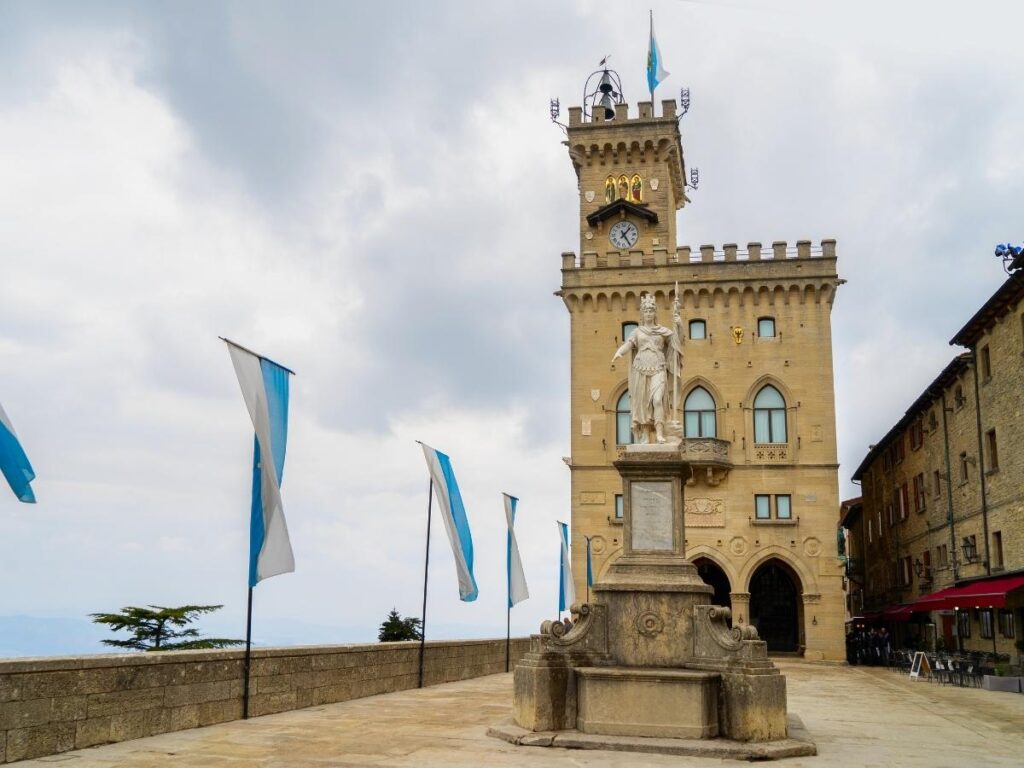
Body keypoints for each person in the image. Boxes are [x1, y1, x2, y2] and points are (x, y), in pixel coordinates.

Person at [612, 293, 683, 444]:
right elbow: (629, 345)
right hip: (640, 369)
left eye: (651, 311)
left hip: (658, 368)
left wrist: (679, 324)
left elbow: (677, 342)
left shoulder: (662, 331)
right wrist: (619, 352)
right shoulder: (637, 332)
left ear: (655, 313)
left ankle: (659, 433)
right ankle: (644, 435)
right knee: (643, 403)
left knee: (657, 400)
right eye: (646, 311)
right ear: (642, 314)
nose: (649, 313)